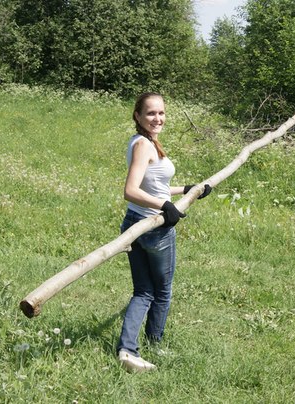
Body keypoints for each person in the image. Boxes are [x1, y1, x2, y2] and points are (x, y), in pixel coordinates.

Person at [117, 92, 211, 372]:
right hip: (153, 228)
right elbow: (130, 191)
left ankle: (127, 351)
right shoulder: (144, 145)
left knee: (143, 290)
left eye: (161, 113)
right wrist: (165, 207)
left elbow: (152, 187)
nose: (157, 118)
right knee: (161, 291)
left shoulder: (142, 142)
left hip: (134, 223)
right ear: (137, 116)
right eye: (150, 113)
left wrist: (188, 190)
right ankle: (154, 343)